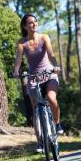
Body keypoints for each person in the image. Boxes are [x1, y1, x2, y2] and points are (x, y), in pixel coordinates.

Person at [13, 13, 63, 153]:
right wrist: (16, 71)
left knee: (51, 97)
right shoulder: (22, 43)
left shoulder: (44, 37)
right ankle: (40, 142)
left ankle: (58, 124)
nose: (34, 24)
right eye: (30, 23)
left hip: (49, 74)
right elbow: (18, 61)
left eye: (35, 22)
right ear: (25, 26)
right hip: (33, 77)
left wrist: (55, 65)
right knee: (36, 109)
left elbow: (52, 55)